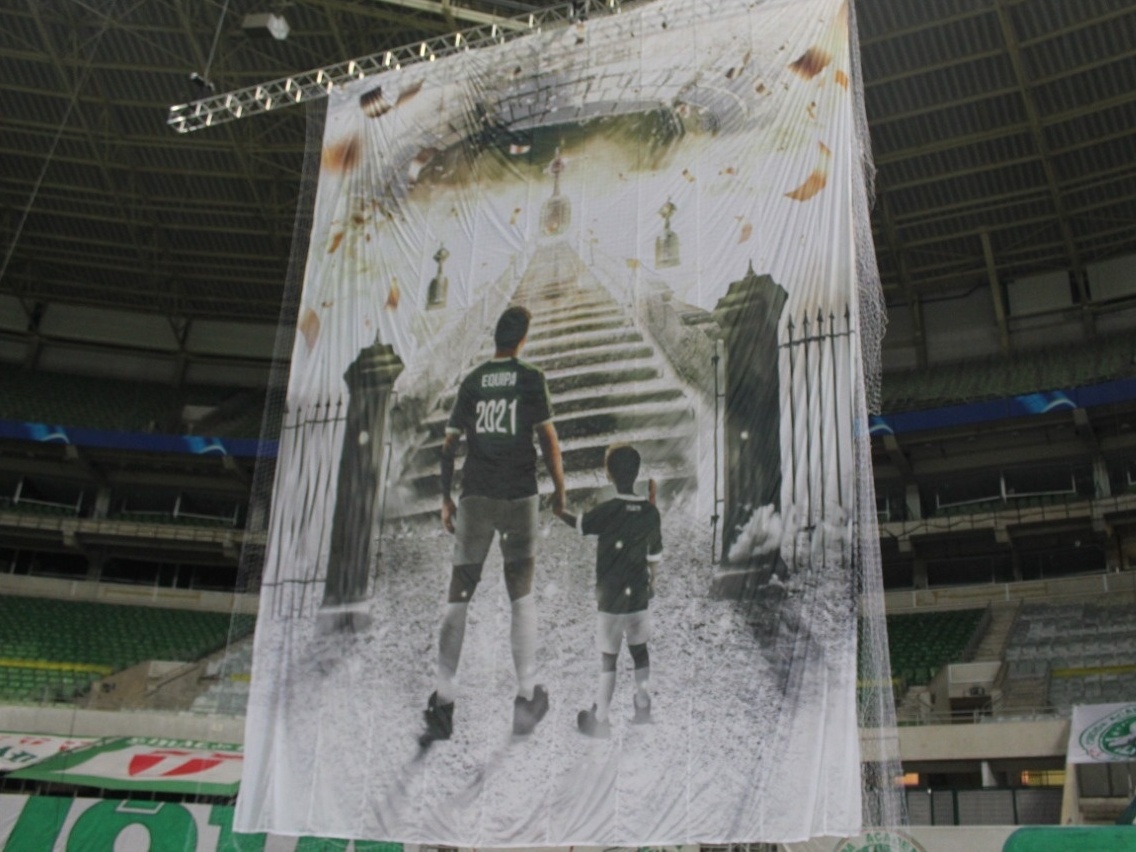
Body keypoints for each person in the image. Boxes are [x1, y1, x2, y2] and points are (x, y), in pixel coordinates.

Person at [421, 305, 567, 746]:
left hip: (476, 497)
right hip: (520, 495)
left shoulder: (471, 381)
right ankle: (525, 698)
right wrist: (560, 492)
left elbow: (448, 446)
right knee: (521, 596)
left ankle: (443, 703)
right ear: (523, 337)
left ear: (494, 338)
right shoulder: (530, 377)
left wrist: (445, 497)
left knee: (459, 596)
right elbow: (547, 439)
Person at [555, 444, 662, 738]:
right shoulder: (650, 512)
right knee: (640, 653)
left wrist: (559, 510)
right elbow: (654, 557)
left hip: (611, 599)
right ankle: (642, 706)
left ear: (608, 475)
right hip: (638, 596)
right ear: (638, 473)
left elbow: (579, 524)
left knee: (608, 659)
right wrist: (652, 584)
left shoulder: (607, 511)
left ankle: (600, 717)